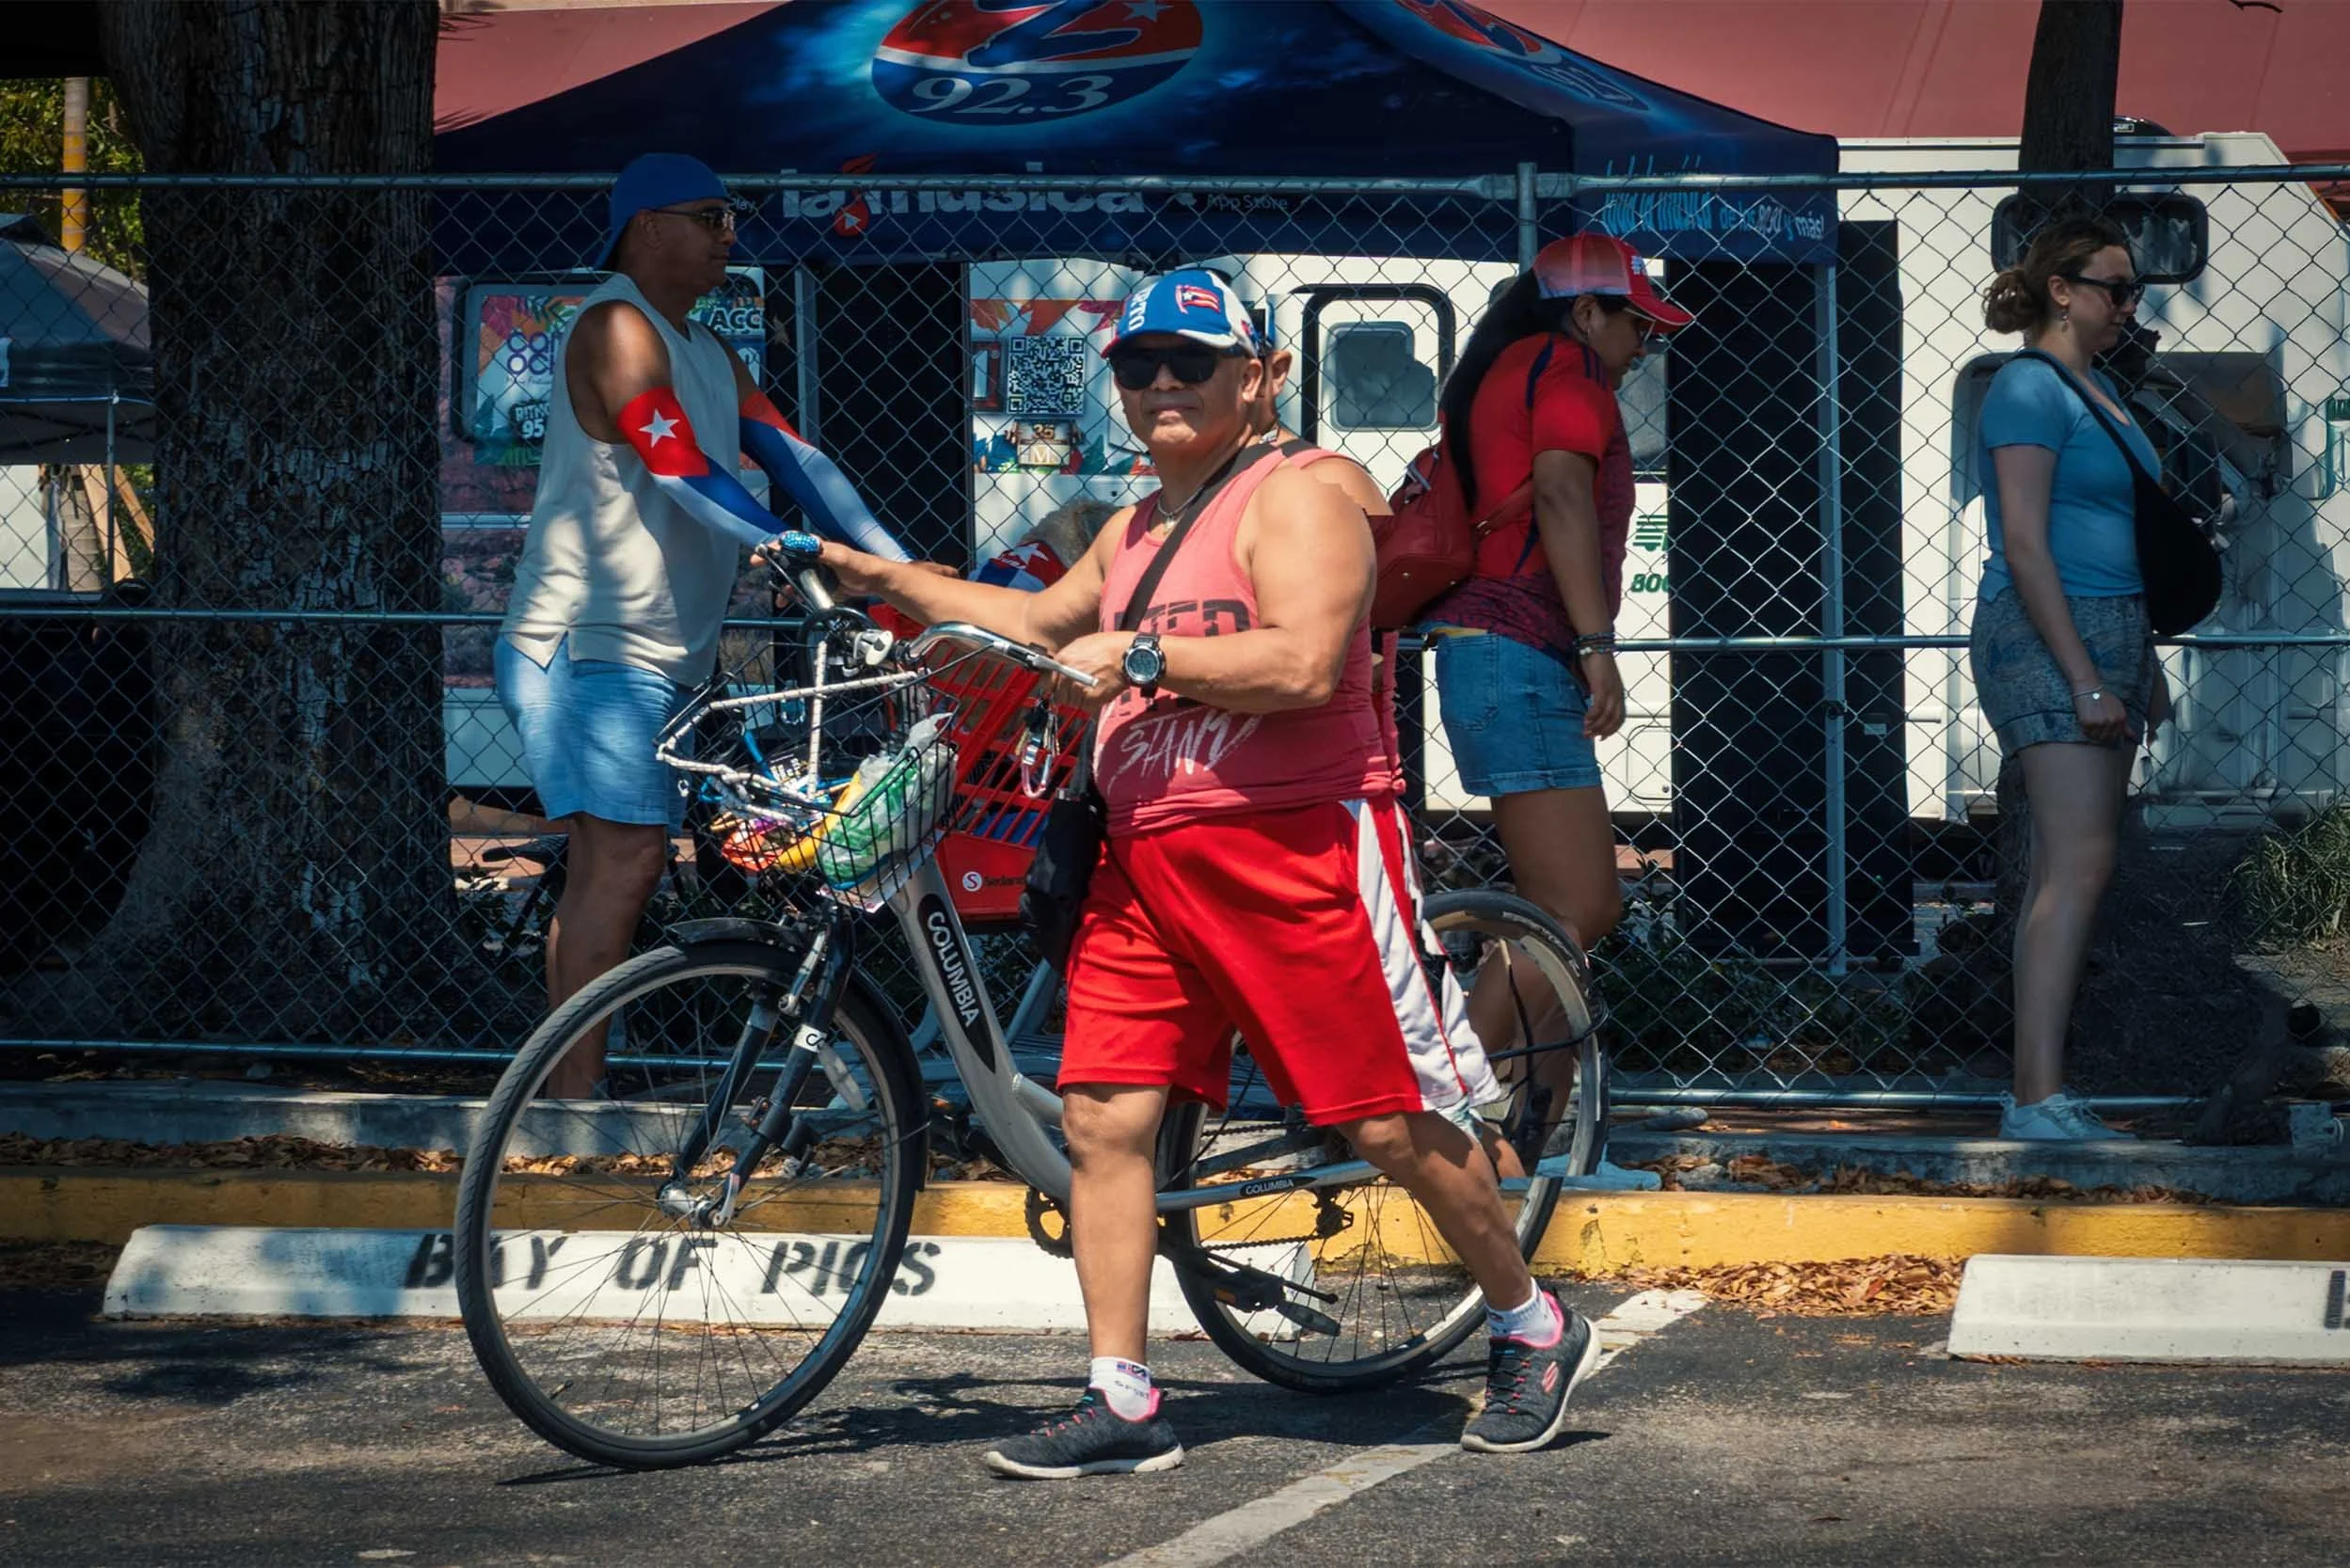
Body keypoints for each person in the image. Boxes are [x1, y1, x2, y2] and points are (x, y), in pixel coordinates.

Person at [801, 268, 1600, 1476]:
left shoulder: (1304, 492)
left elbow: (1306, 661)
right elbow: (1041, 626)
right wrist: (886, 580)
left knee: (1386, 1121)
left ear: (1260, 375)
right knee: (1103, 1116)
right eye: (1139, 366)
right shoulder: (1131, 530)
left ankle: (1530, 1320)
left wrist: (1144, 656)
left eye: (1192, 361)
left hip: (1297, 849)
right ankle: (1121, 1393)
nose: (1162, 384)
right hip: (1145, 864)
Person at [496, 152, 908, 1098]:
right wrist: (785, 546)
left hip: (654, 652)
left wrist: (900, 563)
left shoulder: (708, 349)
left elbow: (802, 461)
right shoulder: (615, 325)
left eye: (733, 218)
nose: (731, 235)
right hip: (589, 643)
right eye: (711, 217)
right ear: (647, 226)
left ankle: (566, 1101)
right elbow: (678, 465)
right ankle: (575, 1111)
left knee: (610, 865)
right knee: (625, 860)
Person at [1418, 233, 1690, 1127]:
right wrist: (1597, 644)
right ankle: (1435, 1105)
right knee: (1576, 910)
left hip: (1497, 648)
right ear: (1585, 312)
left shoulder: (1513, 366)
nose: (1644, 344)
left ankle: (1533, 1125)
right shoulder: (1566, 370)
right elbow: (1564, 497)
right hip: (1519, 647)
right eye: (1637, 325)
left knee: (1557, 914)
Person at [1971, 216, 2165, 1140]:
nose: (2129, 305)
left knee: (2069, 863)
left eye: (2134, 290)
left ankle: (2037, 1092)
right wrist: (2085, 675)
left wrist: (2139, 662)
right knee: (2078, 862)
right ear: (2061, 289)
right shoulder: (2027, 387)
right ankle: (2037, 1096)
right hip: (2049, 632)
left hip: (2111, 627)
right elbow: (2023, 541)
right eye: (2115, 287)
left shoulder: (2098, 388)